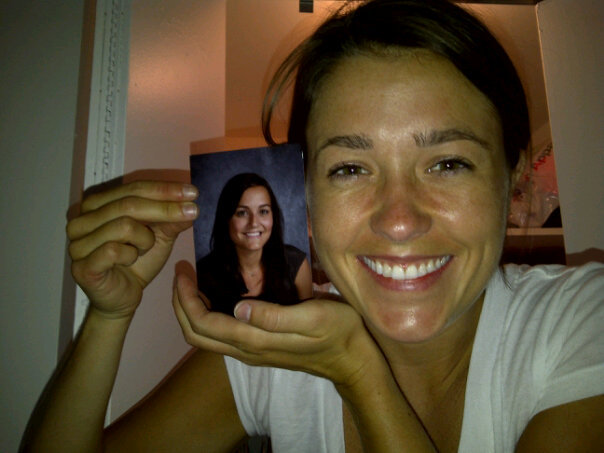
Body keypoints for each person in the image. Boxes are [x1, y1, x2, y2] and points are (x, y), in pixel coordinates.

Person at [22, 0, 603, 452]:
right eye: (349, 168)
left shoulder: (582, 322)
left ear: (513, 178)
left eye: (448, 164)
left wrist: (360, 374)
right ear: (305, 196)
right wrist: (108, 317)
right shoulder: (274, 343)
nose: (399, 220)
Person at [196, 172, 312, 315]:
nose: (254, 223)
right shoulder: (203, 274)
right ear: (226, 219)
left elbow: (312, 322)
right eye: (242, 213)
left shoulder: (296, 264)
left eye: (263, 211)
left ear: (273, 216)